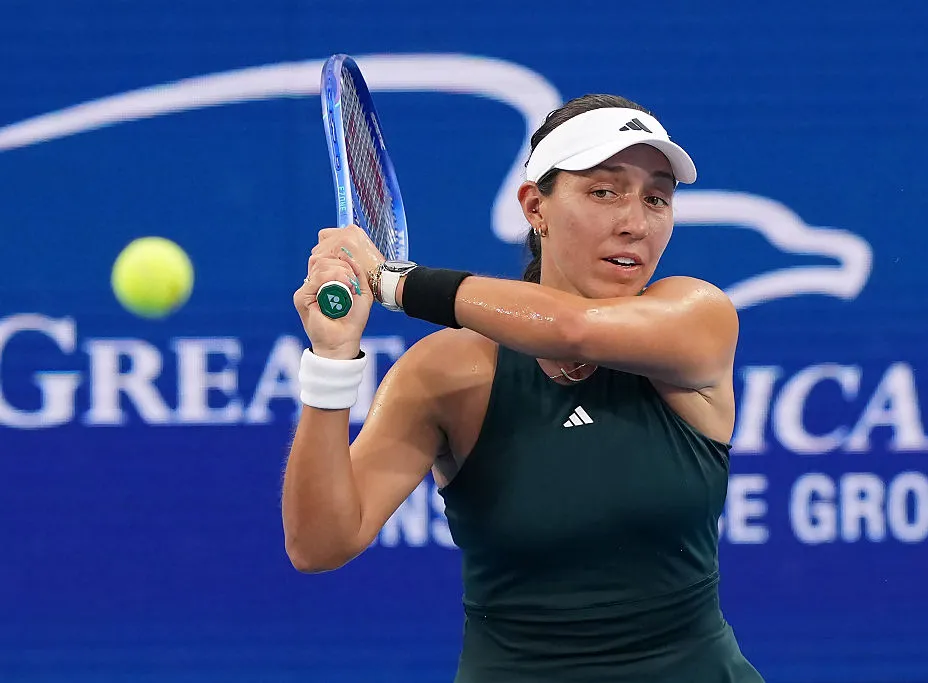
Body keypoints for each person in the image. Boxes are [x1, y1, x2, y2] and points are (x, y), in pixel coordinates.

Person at [282, 93, 765, 683]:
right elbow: (319, 543)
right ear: (535, 207)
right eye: (603, 191)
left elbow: (571, 329)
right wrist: (332, 361)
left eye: (656, 197)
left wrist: (393, 283)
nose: (634, 222)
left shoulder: (698, 318)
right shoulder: (448, 374)